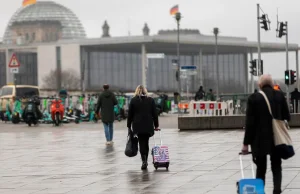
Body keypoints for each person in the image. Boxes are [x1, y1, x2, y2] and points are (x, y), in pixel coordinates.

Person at [242, 74, 290, 194]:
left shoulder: (253, 98)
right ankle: (277, 190)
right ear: (272, 84)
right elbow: (287, 116)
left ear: (260, 85)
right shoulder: (279, 95)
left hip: (259, 140)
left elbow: (250, 123)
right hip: (276, 137)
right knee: (276, 165)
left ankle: (259, 190)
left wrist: (246, 143)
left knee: (261, 167)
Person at [127, 85, 159, 170]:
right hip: (148, 124)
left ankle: (144, 161)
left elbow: (130, 114)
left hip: (138, 125)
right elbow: (154, 114)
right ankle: (145, 160)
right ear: (145, 91)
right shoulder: (150, 100)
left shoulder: (133, 100)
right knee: (146, 142)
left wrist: (128, 125)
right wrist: (156, 125)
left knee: (141, 142)